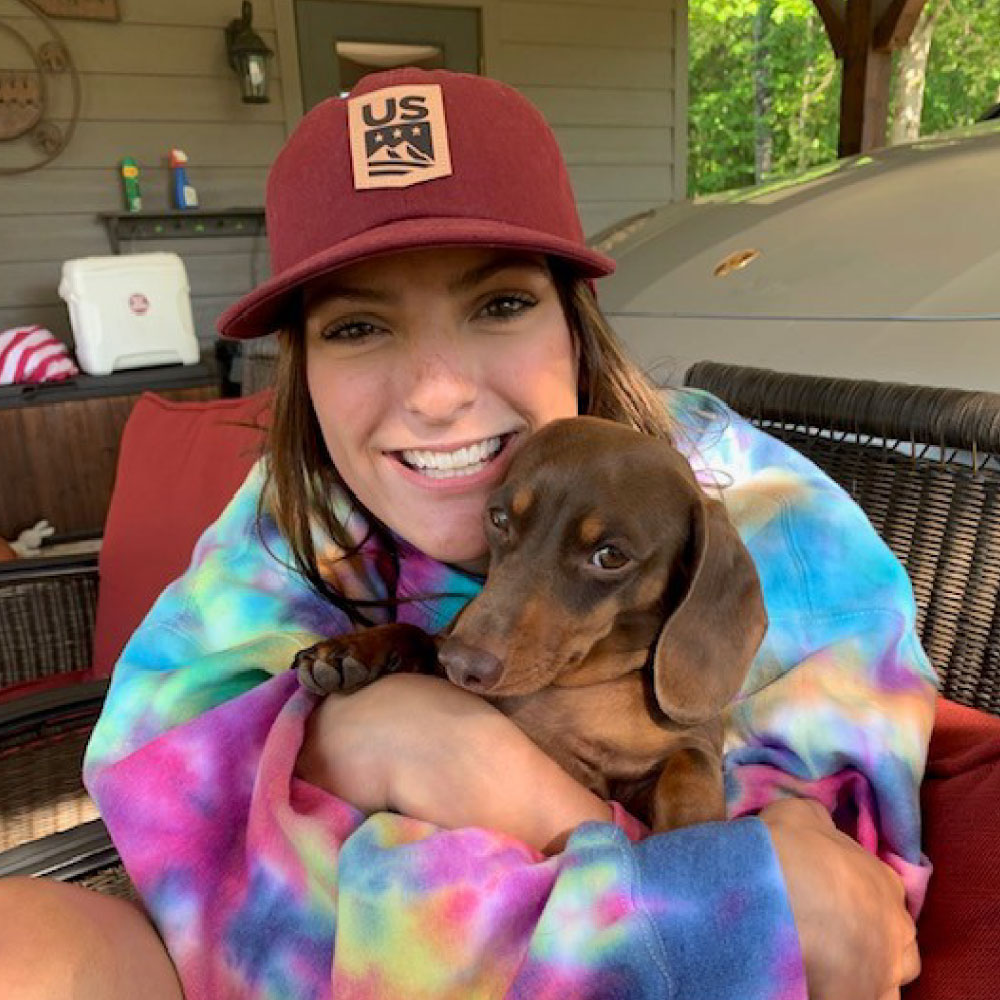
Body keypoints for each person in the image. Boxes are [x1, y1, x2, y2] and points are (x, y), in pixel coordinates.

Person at [0, 68, 936, 1000]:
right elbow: (161, 804)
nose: (439, 394)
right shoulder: (281, 536)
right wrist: (379, 733)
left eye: (500, 305)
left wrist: (469, 767)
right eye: (358, 326)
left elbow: (834, 914)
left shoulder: (752, 505)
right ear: (303, 369)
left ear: (575, 324)